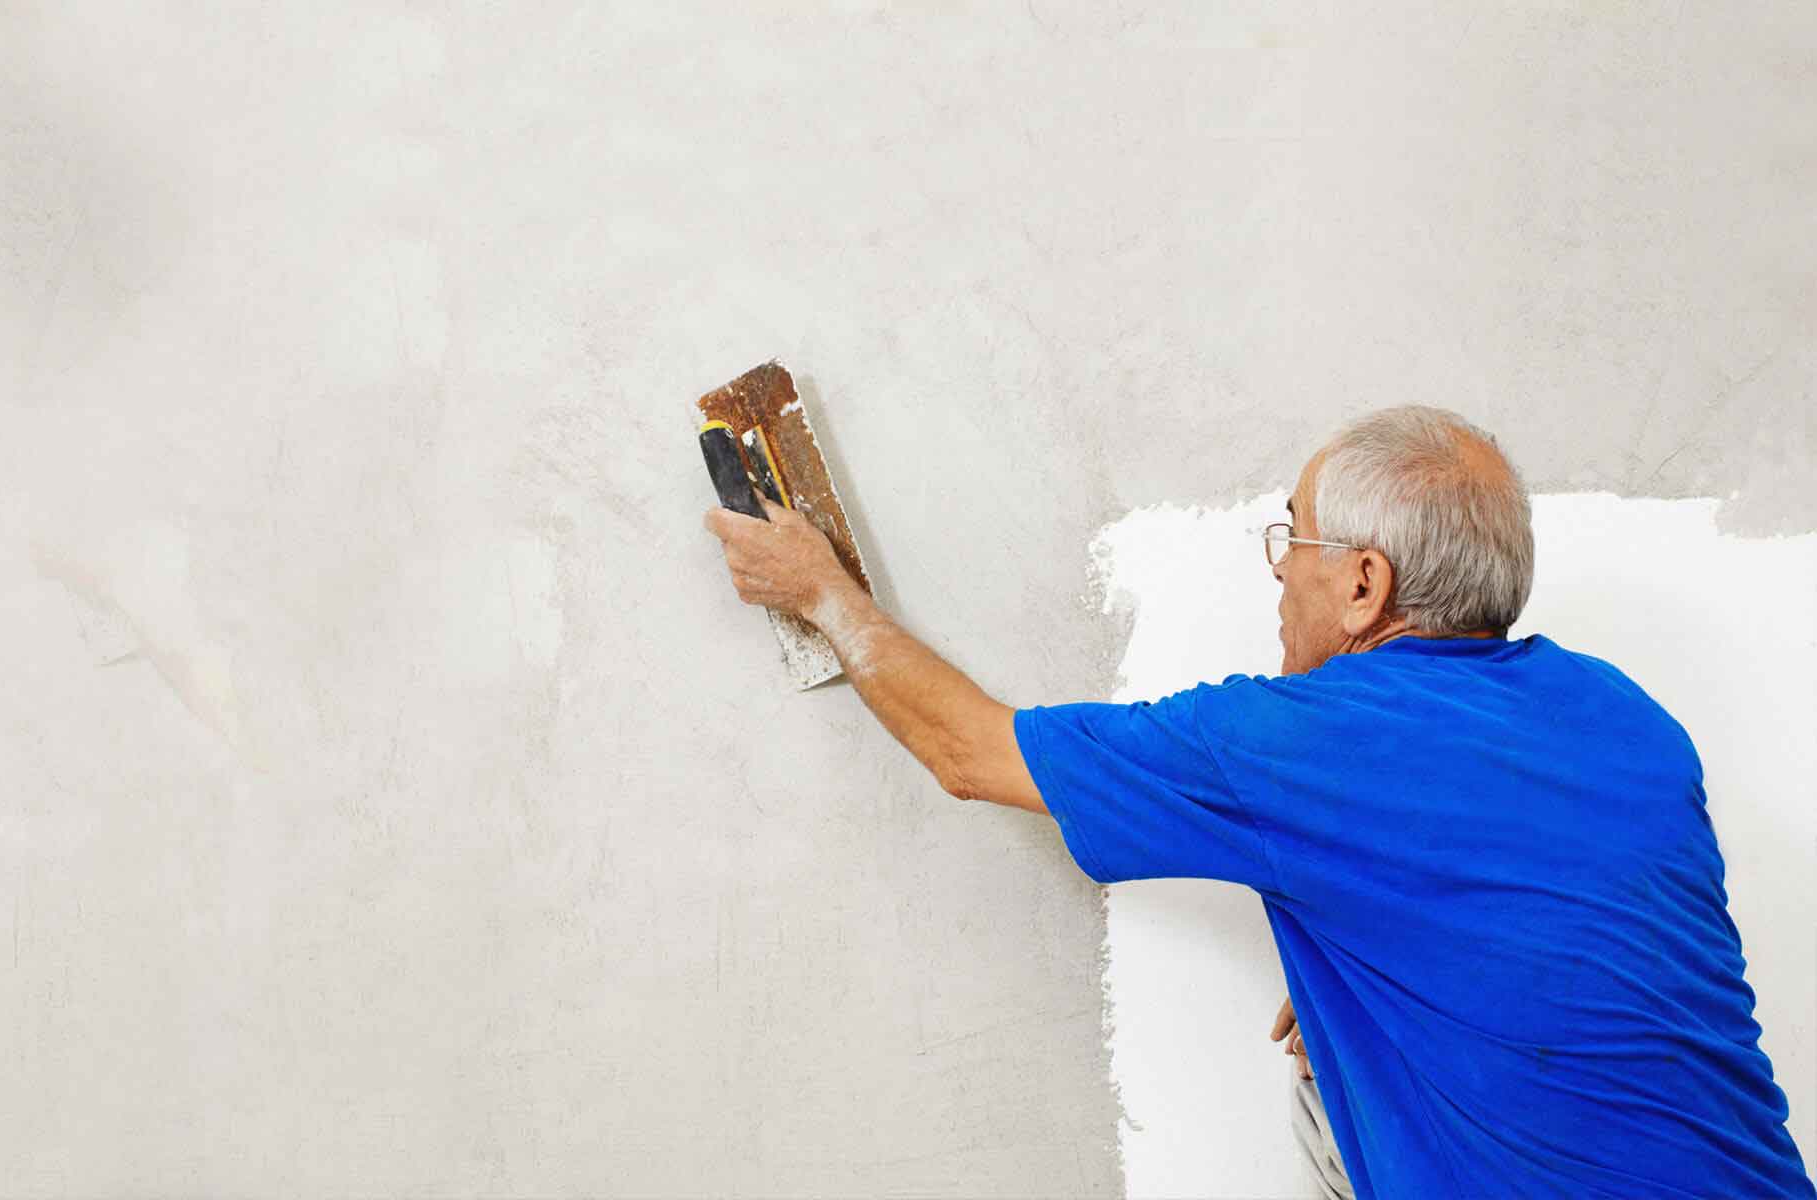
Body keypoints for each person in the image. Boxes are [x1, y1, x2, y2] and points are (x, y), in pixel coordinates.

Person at [704, 406, 1812, 1196]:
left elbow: (972, 752)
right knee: (1333, 1096)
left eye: (1293, 538)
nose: (1277, 571)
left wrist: (821, 595)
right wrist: (1371, 971)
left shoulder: (1292, 742)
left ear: (1364, 583)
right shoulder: (1623, 718)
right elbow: (1582, 938)